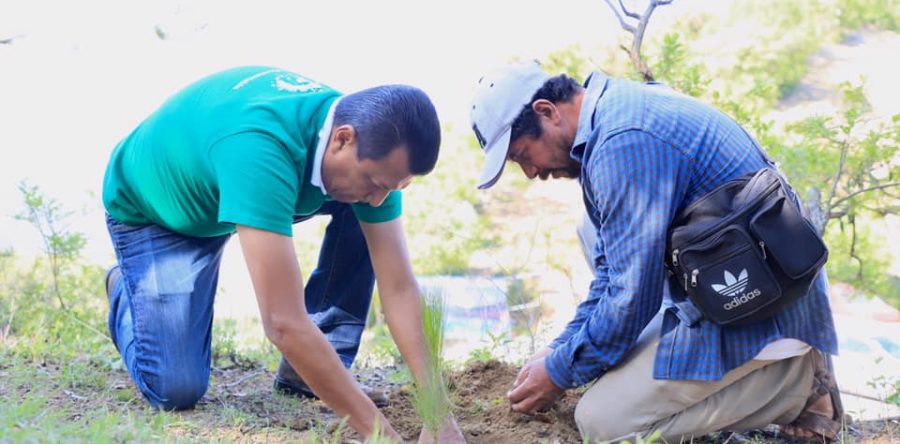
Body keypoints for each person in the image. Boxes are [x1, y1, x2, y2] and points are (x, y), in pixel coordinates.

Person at [469, 61, 844, 442]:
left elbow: (633, 297)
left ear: (546, 111)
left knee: (603, 422)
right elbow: (611, 276)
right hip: (716, 282)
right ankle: (729, 370)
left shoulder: (623, 143)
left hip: (764, 305)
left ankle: (796, 384)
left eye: (522, 155)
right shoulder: (609, 117)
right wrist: (559, 349)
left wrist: (560, 373)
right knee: (590, 229)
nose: (531, 173)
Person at [102, 66, 464, 441]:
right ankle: (126, 294)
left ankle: (310, 366)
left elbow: (400, 287)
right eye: (374, 183)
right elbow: (282, 321)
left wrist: (437, 414)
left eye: (391, 187)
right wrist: (380, 435)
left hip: (237, 186)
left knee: (360, 208)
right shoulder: (262, 149)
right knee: (175, 387)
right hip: (161, 216)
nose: (379, 199)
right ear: (342, 139)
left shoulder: (371, 152)